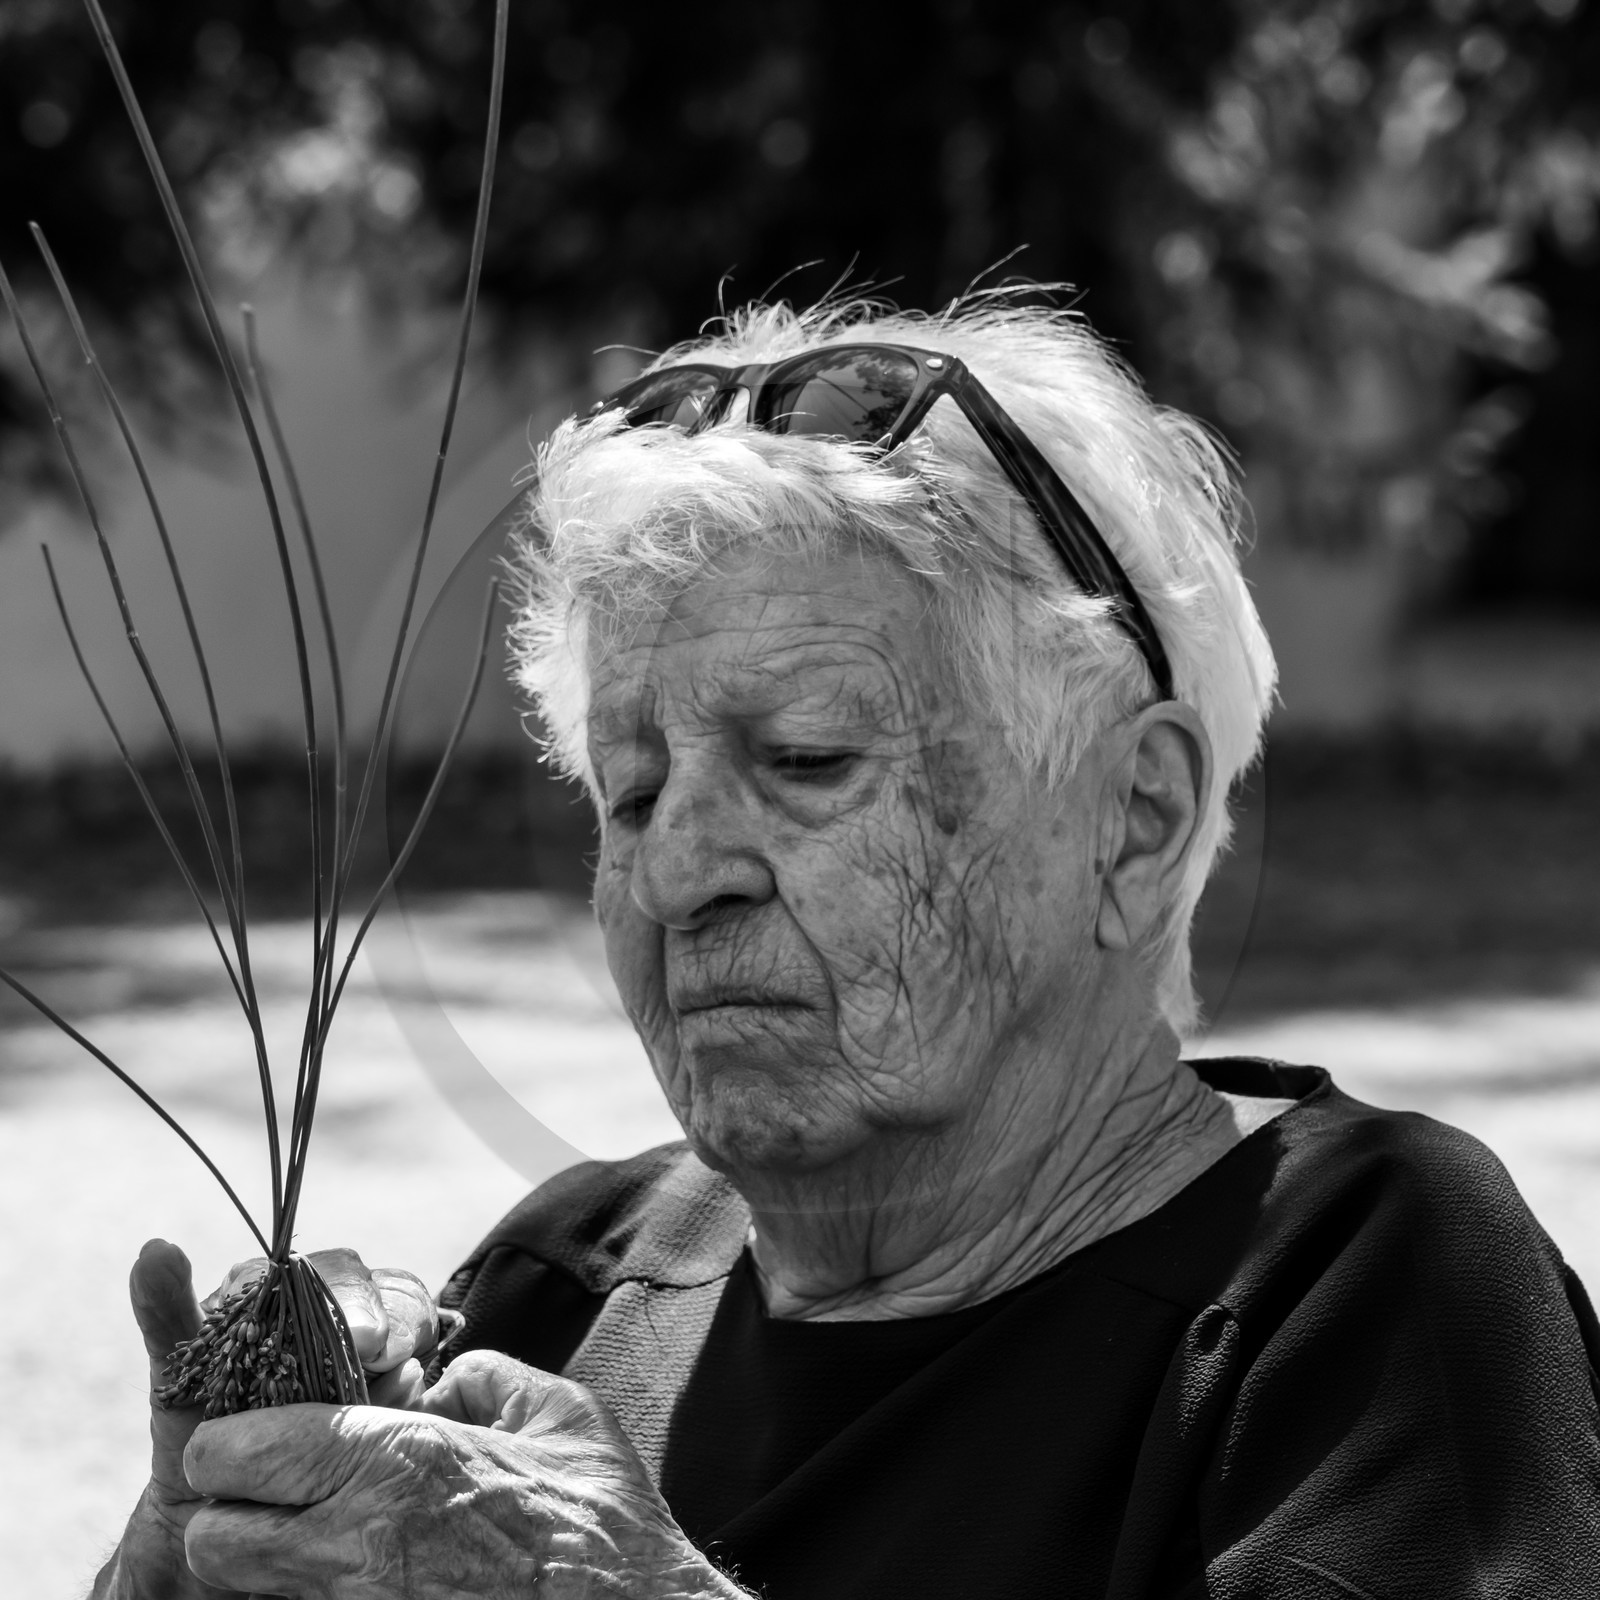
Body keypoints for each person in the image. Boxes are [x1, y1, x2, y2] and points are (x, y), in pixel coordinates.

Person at [95, 298, 1600, 1600]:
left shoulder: (1359, 1286)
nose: (674, 870)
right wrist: (179, 1561)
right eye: (631, 788)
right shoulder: (557, 1293)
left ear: (1133, 820)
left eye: (807, 758)